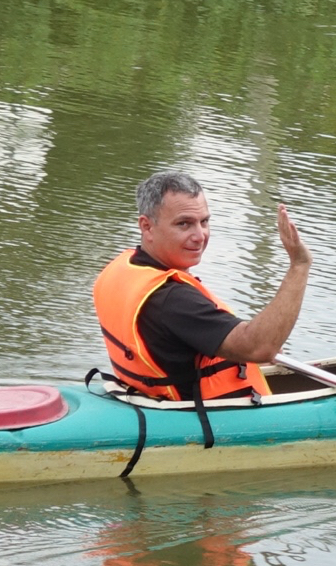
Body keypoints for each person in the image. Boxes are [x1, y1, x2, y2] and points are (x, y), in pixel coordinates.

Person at [92, 170, 311, 415]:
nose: (199, 236)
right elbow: (260, 347)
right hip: (204, 421)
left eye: (204, 221)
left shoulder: (128, 268)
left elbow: (181, 337)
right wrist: (299, 265)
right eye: (183, 224)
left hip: (150, 401)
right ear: (147, 226)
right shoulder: (171, 300)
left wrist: (249, 346)